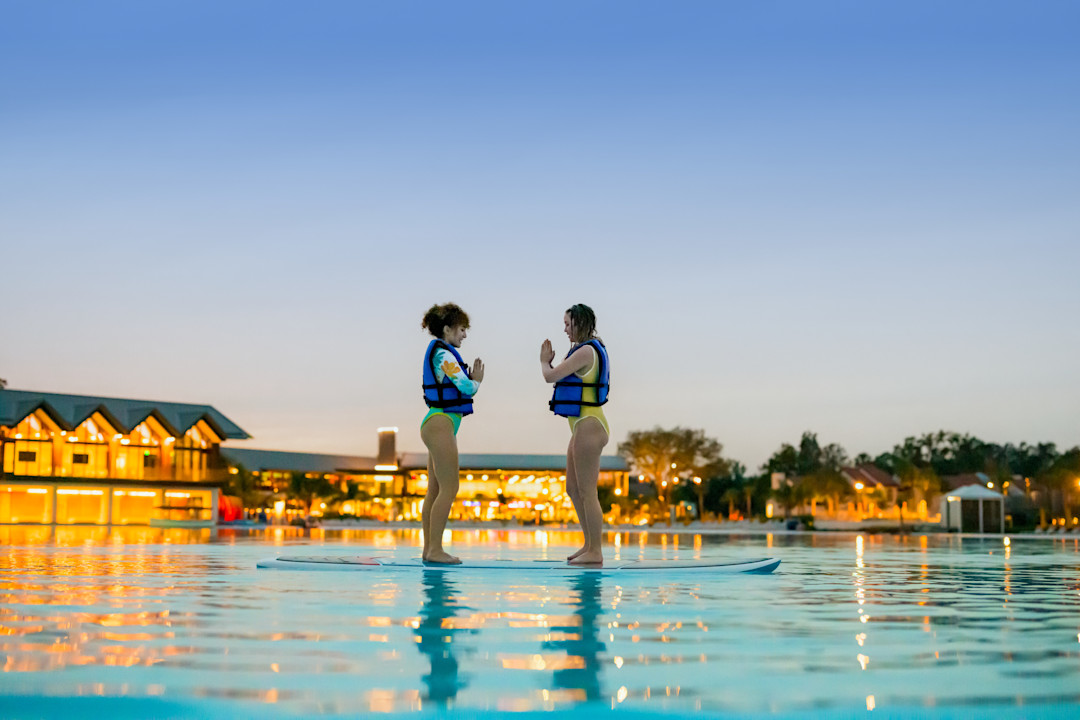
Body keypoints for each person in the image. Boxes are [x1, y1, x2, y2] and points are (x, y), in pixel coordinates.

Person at [540, 303, 610, 565]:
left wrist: (543, 362)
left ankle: (596, 551)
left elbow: (550, 377)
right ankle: (589, 544)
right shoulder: (580, 351)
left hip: (590, 425)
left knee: (587, 491)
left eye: (568, 324)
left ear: (580, 323)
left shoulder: (587, 351)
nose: (565, 329)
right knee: (572, 488)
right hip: (581, 426)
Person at [421, 303, 484, 564]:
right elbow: (466, 387)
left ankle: (429, 550)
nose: (464, 335)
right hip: (441, 423)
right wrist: (478, 378)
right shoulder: (443, 355)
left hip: (438, 422)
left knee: (435, 490)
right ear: (447, 329)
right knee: (450, 487)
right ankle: (435, 550)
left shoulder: (441, 354)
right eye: (461, 329)